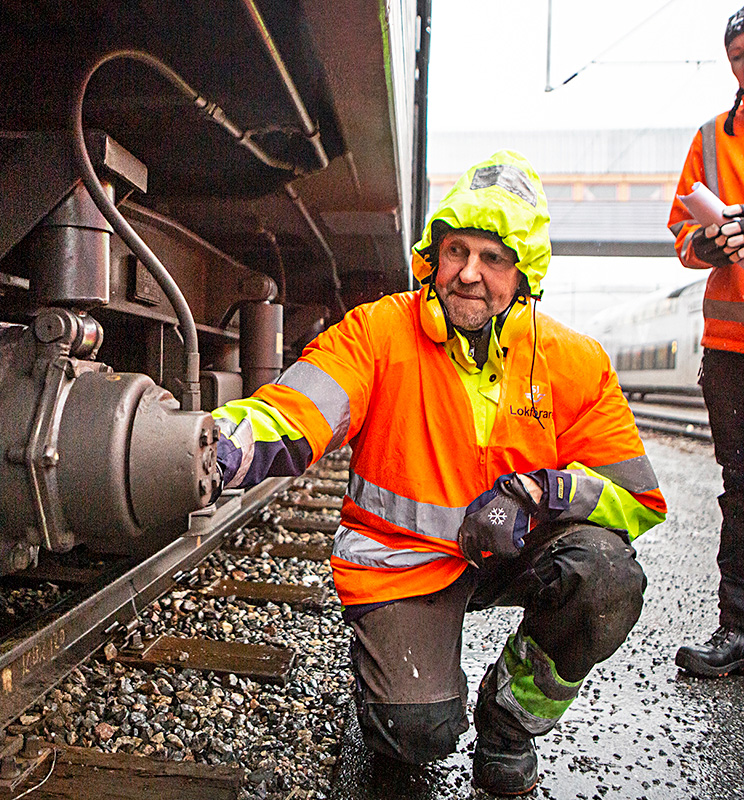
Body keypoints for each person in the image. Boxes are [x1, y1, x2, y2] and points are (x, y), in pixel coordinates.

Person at [213, 150, 667, 795]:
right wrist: (222, 446)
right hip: (407, 560)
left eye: (494, 258)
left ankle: (509, 725)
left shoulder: (574, 361)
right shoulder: (380, 330)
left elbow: (639, 500)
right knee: (415, 736)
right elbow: (298, 408)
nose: (469, 275)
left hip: (515, 552)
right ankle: (399, 689)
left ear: (525, 272)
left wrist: (543, 494)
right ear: (434, 256)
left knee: (608, 576)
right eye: (455, 252)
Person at [668, 6, 744, 679]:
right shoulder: (711, 141)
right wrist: (707, 240)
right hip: (732, 348)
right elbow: (681, 237)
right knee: (741, 490)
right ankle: (738, 629)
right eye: (741, 53)